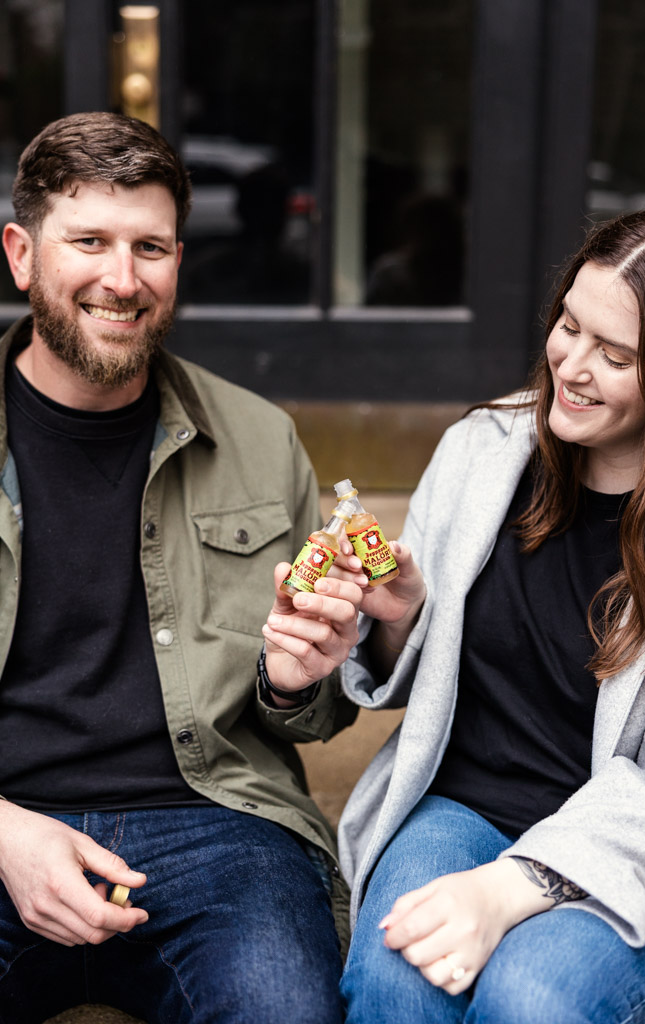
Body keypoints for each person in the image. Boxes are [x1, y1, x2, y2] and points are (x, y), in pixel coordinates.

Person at [0, 111, 363, 1023]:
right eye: (88, 241)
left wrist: (295, 679)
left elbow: (313, 714)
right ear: (20, 254)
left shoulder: (258, 437)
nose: (122, 281)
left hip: (217, 825)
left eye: (150, 247)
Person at [334, 206, 645, 1021]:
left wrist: (510, 887)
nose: (571, 364)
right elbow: (404, 678)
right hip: (462, 806)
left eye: (616, 354)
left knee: (531, 996)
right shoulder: (482, 449)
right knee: (396, 972)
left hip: (642, 853)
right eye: (569, 325)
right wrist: (397, 616)